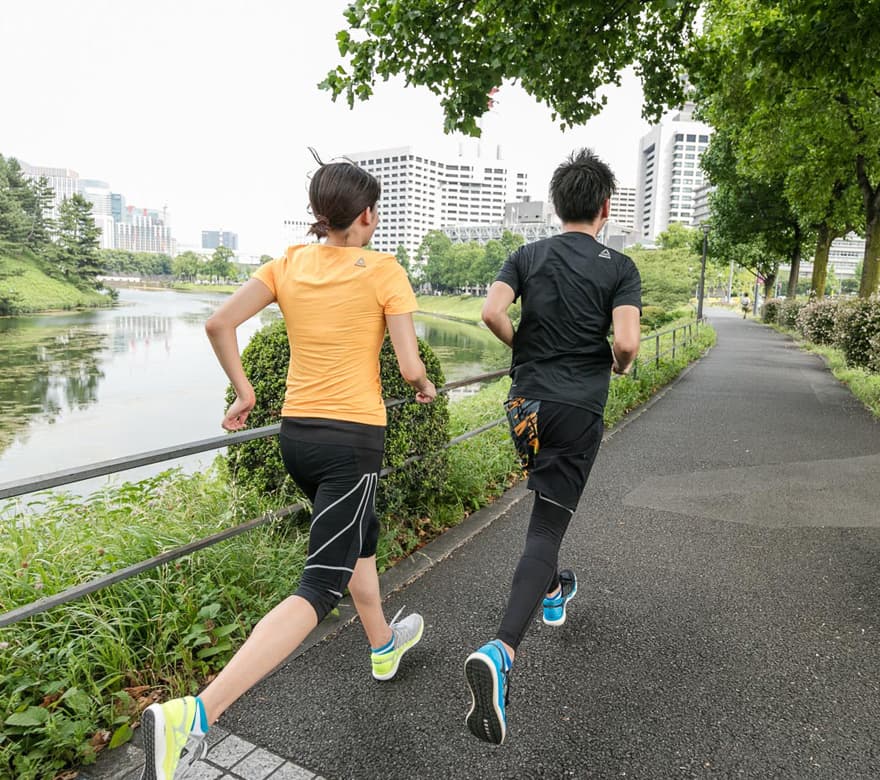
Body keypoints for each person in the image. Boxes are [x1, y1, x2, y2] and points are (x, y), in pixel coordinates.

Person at [140, 156, 436, 779]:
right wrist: (427, 386)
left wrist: (245, 393)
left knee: (361, 539)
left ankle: (384, 645)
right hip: (353, 439)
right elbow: (409, 368)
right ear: (364, 216)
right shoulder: (385, 270)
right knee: (321, 585)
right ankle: (196, 715)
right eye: (374, 211)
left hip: (297, 437)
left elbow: (219, 323)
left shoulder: (287, 262)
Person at [465, 148, 641, 745]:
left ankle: (557, 585)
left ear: (557, 204)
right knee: (545, 526)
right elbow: (626, 344)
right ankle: (502, 651)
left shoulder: (525, 255)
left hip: (525, 407)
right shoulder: (619, 266)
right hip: (576, 410)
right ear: (604, 208)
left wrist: (524, 349)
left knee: (546, 509)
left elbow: (490, 312)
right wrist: (616, 364)